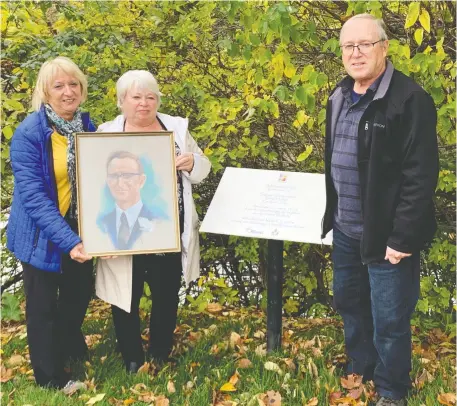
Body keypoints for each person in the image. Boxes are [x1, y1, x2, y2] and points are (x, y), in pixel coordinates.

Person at [321, 14, 439, 406]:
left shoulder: (409, 100)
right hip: (346, 230)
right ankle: (362, 367)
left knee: (390, 319)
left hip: (387, 237)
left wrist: (402, 236)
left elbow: (420, 176)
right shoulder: (338, 96)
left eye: (364, 45)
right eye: (348, 46)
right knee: (349, 303)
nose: (355, 53)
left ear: (384, 48)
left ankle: (391, 390)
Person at [95, 70, 211, 373]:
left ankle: (160, 352)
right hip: (122, 234)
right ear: (122, 101)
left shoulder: (176, 129)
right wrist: (98, 237)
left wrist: (192, 162)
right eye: (136, 97)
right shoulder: (105, 134)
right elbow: (94, 187)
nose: (144, 103)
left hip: (166, 231)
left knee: (165, 294)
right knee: (125, 297)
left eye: (150, 97)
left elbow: (204, 168)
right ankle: (132, 357)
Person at [7, 57, 95, 393]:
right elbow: (34, 198)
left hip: (79, 227)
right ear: (45, 92)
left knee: (77, 295)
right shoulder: (30, 133)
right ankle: (50, 377)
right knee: (42, 306)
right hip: (40, 231)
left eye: (74, 84)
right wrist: (68, 241)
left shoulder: (89, 129)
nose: (68, 91)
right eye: (59, 86)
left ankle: (69, 346)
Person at [99, 151, 153, 250]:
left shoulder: (157, 221)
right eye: (114, 176)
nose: (120, 183)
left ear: (141, 181)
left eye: (127, 176)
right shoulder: (101, 224)